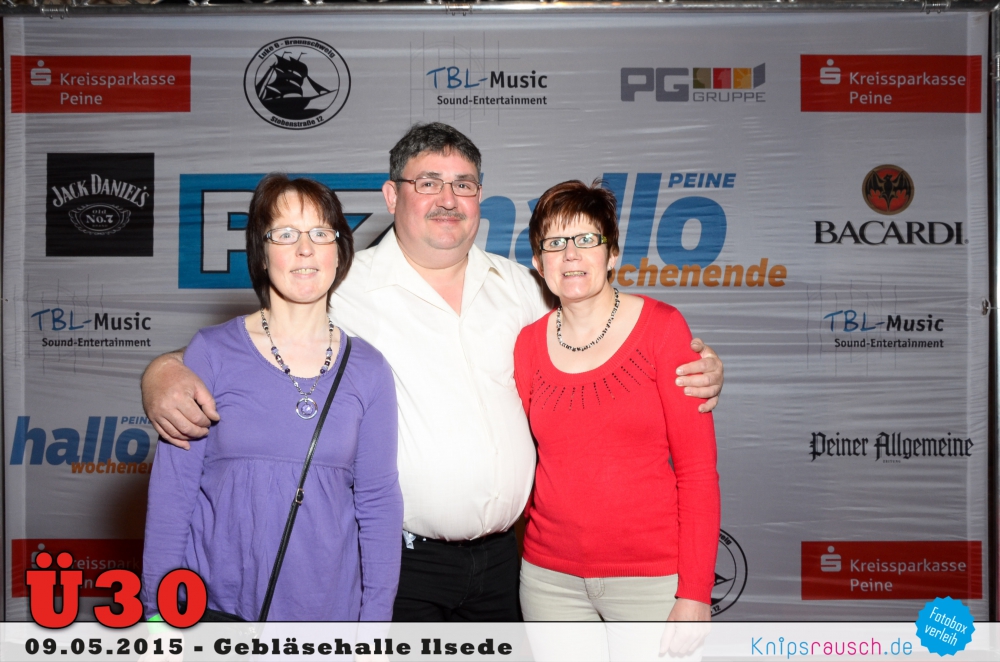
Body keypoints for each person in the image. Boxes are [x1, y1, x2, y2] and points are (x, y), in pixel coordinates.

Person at [141, 123, 724, 621]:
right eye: (428, 182)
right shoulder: (341, 283)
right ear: (392, 196)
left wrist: (696, 363)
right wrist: (162, 372)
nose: (448, 198)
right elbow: (252, 345)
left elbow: (599, 332)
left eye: (463, 184)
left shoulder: (524, 288)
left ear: (480, 197)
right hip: (402, 564)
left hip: (511, 563)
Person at [141, 175, 402, 621]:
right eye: (285, 234)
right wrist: (155, 613)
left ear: (340, 251)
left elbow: (378, 504)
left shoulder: (370, 369)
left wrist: (375, 625)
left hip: (328, 621)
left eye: (320, 233)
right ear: (261, 254)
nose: (305, 249)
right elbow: (173, 495)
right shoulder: (210, 352)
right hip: (214, 613)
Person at [514, 180, 719, 623]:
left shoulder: (663, 329)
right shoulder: (527, 344)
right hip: (549, 581)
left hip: (652, 582)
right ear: (538, 263)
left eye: (587, 239)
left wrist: (696, 593)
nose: (571, 254)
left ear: (612, 255)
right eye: (555, 243)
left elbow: (698, 472)